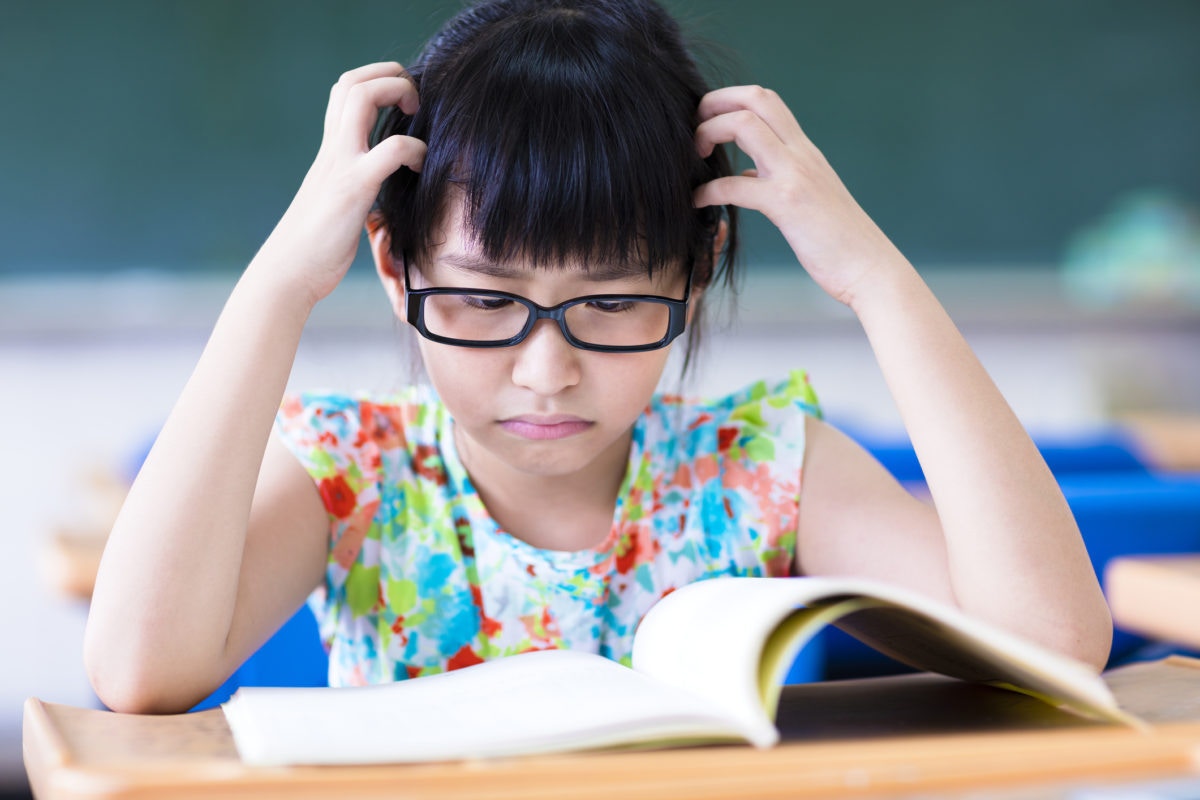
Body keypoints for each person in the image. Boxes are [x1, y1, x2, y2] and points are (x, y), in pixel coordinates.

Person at [84, 0, 1112, 714]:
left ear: (693, 273)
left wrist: (876, 280)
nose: (546, 369)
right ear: (395, 270)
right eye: (485, 299)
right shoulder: (353, 471)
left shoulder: (755, 465)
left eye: (613, 300)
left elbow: (1053, 639)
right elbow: (137, 670)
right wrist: (276, 287)